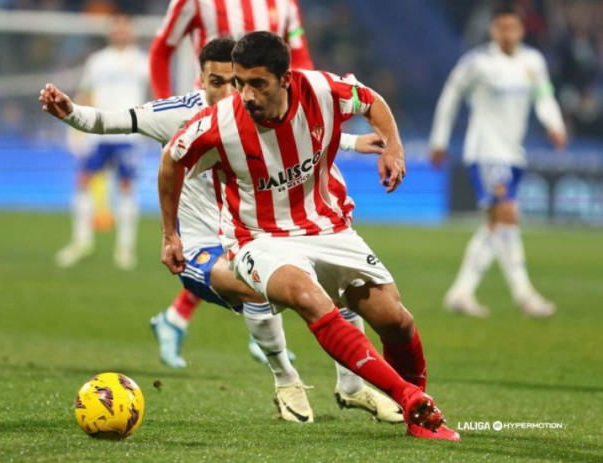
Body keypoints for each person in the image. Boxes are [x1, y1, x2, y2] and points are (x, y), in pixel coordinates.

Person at [39, 38, 403, 424]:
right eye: (218, 82)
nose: (233, 92)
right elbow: (112, 121)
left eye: (238, 81)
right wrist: (72, 113)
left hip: (257, 237)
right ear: (201, 81)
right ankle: (286, 381)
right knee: (254, 283)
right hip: (203, 250)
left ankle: (351, 387)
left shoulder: (256, 109)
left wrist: (349, 141)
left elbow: (296, 129)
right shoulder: (181, 115)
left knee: (336, 278)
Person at [158, 31, 460, 441]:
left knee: (396, 321)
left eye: (257, 84)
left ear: (286, 79)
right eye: (240, 83)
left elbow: (372, 100)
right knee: (307, 297)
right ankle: (408, 398)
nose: (245, 95)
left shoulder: (320, 89)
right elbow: (171, 160)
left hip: (327, 226)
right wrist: (170, 234)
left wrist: (394, 148)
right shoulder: (219, 124)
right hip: (257, 239)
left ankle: (418, 416)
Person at [149, 0, 315, 363]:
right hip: (214, 126)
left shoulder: (285, 5)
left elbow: (300, 61)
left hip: (262, 124)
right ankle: (260, 318)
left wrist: (304, 116)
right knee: (232, 230)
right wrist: (167, 108)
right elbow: (162, 48)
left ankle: (180, 318)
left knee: (256, 228)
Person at [429, 5, 566, 318]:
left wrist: (554, 124)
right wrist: (439, 140)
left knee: (495, 224)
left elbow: (543, 96)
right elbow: (450, 97)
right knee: (508, 215)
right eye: (501, 28)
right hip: (485, 151)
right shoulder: (477, 63)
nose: (507, 34)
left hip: (513, 152)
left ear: (521, 30)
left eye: (512, 28)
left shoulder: (533, 61)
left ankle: (461, 292)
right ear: (493, 30)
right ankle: (524, 294)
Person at [55, 15, 148, 270]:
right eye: (116, 30)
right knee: (82, 181)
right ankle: (82, 241)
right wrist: (74, 125)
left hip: (129, 133)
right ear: (110, 34)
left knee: (126, 186)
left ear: (131, 33)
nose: (120, 34)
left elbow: (154, 92)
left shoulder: (142, 62)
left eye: (124, 30)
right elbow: (86, 92)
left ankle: (125, 248)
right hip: (98, 132)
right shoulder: (98, 61)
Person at [149, 0, 313, 100]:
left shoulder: (285, 2)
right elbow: (160, 52)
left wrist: (298, 98)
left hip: (264, 109)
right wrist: (166, 102)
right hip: (211, 110)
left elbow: (299, 58)